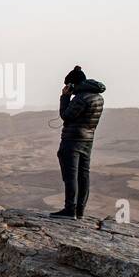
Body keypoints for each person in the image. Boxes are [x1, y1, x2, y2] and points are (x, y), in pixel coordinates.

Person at [50, 65, 105, 220]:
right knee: (83, 175)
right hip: (87, 140)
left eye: (68, 85)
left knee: (70, 176)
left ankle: (69, 210)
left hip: (72, 140)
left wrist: (65, 97)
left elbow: (66, 115)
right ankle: (79, 211)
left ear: (73, 84)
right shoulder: (97, 97)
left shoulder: (81, 98)